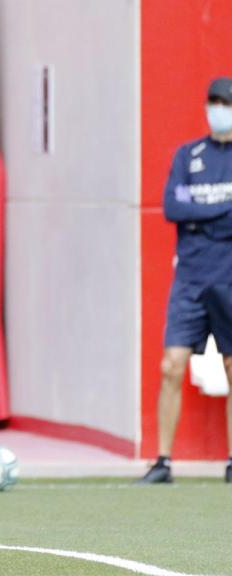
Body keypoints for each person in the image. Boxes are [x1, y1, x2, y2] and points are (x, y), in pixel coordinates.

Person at [138, 77, 232, 485]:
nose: (218, 108)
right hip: (190, 278)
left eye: (225, 102)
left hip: (229, 278)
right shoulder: (187, 154)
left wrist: (201, 212)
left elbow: (191, 209)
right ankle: (162, 462)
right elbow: (174, 207)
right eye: (213, 101)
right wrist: (224, 210)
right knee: (171, 364)